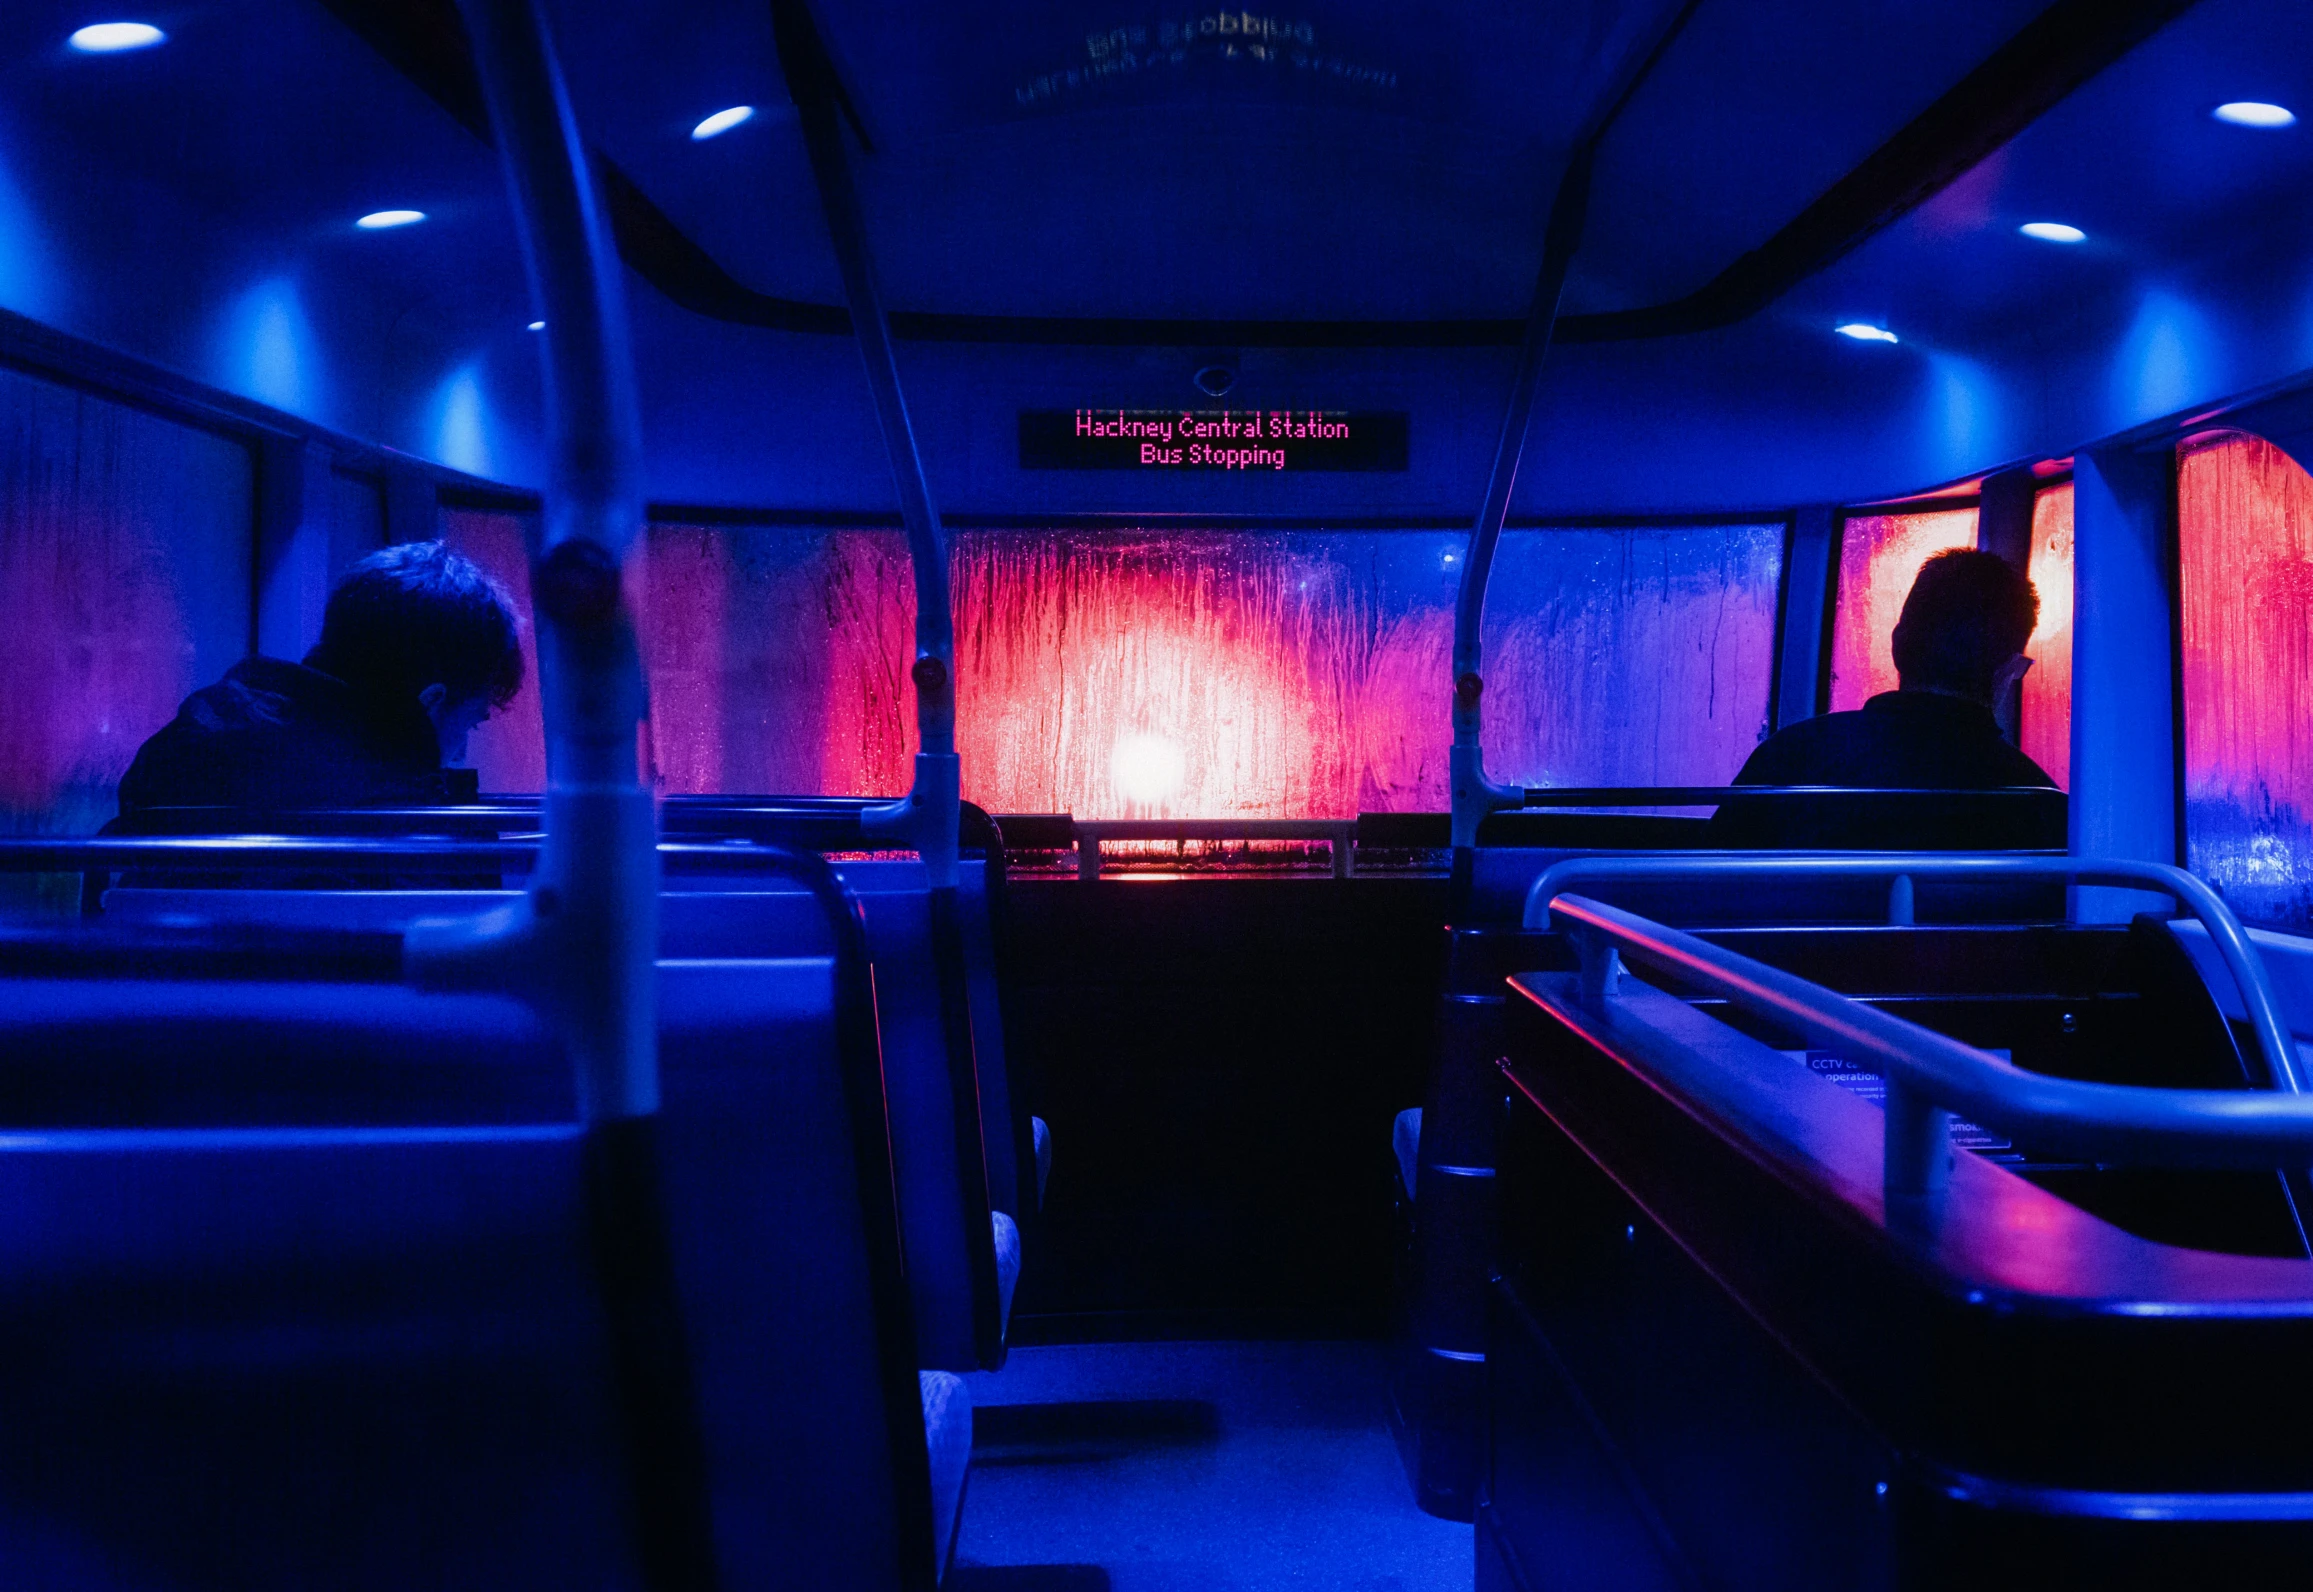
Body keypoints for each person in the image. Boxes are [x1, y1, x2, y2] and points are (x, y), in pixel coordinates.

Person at [117, 541, 523, 816]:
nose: (457, 754)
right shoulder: (395, 819)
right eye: (469, 722)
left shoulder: (192, 741)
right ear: (431, 701)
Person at [1711, 548, 2059, 848]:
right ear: (2010, 669)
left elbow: (1707, 884)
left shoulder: (1787, 756)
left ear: (1897, 645)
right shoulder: (2041, 802)